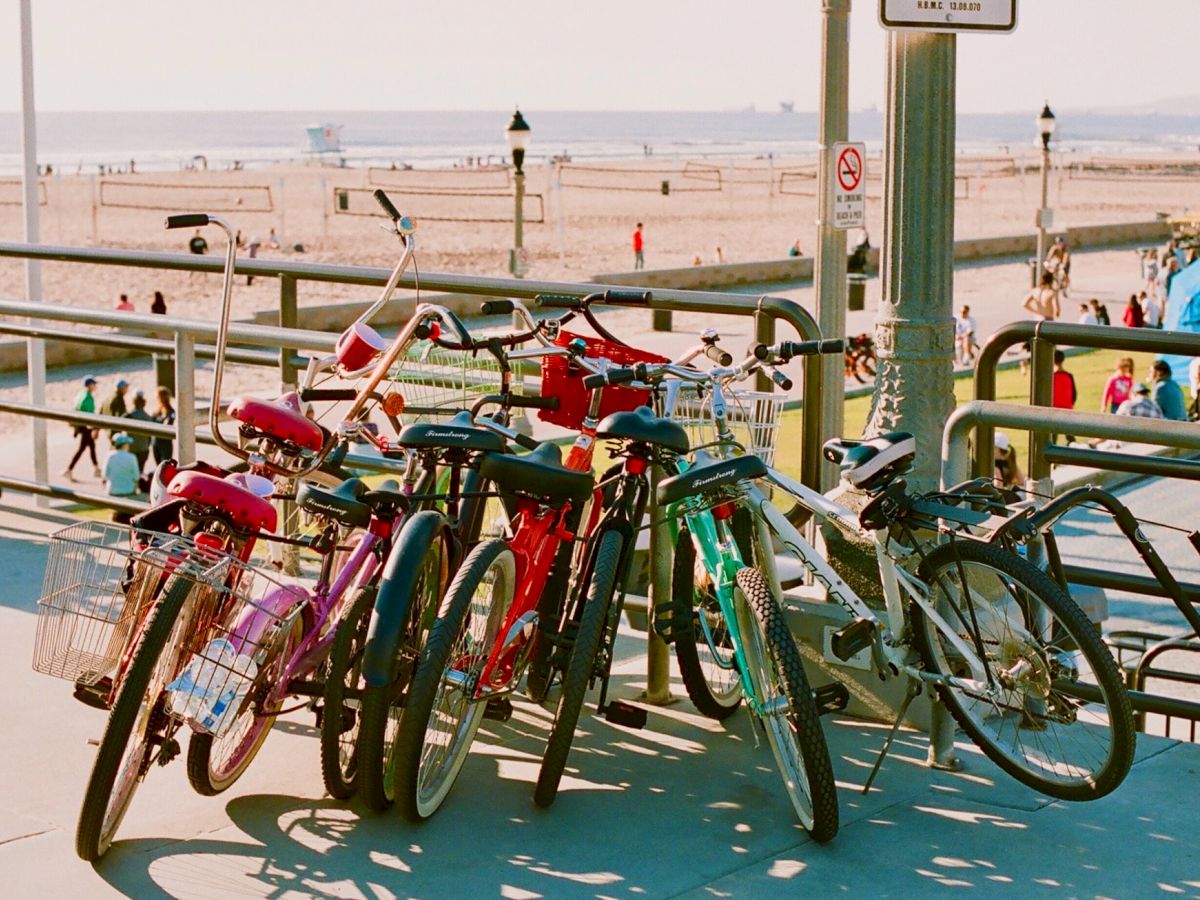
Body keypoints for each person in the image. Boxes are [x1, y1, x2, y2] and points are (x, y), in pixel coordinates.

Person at [63, 375, 101, 481]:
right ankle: (69, 469)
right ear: (89, 385)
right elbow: (90, 416)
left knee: (91, 446)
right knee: (82, 449)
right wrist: (95, 428)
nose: (95, 386)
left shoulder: (80, 395)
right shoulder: (88, 398)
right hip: (86, 427)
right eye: (94, 384)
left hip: (79, 425)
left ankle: (96, 468)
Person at [103, 434, 142, 523]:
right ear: (124, 445)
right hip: (128, 491)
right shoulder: (132, 457)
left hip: (113, 491)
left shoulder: (109, 456)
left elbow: (104, 475)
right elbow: (136, 476)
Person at [123, 390, 155, 473]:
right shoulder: (148, 417)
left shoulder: (128, 415)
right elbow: (149, 437)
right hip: (143, 449)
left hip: (131, 449)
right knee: (139, 473)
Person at [1052, 349, 1078, 444]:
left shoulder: (1050, 376)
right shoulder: (1069, 376)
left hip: (1053, 410)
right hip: (1067, 409)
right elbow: (1074, 394)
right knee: (1070, 436)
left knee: (1052, 437)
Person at [152, 386, 176, 464]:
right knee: (158, 466)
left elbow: (168, 423)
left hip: (165, 443)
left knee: (165, 466)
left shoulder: (171, 411)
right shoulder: (156, 411)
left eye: (157, 396)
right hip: (156, 442)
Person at [103, 379, 130, 445]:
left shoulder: (110, 396)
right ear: (121, 388)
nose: (127, 389)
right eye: (126, 387)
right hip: (114, 429)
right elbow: (123, 413)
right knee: (116, 447)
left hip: (108, 428)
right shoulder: (119, 398)